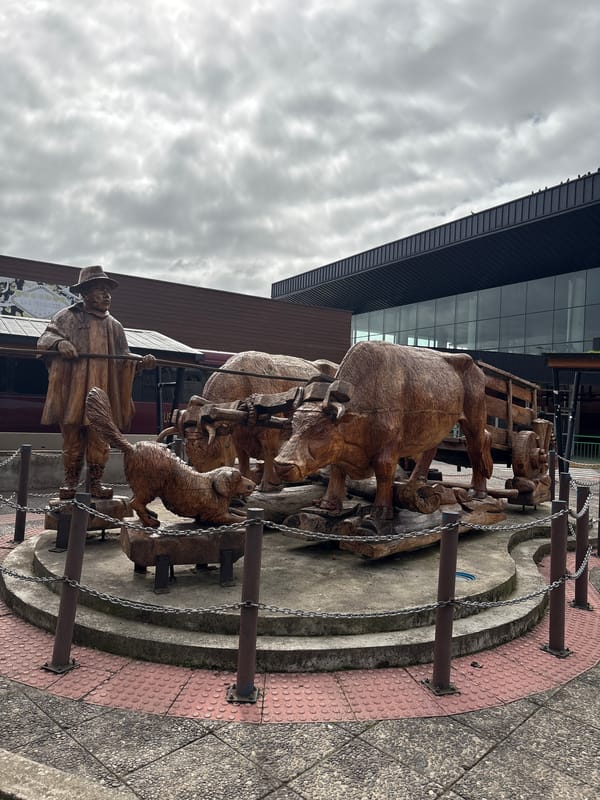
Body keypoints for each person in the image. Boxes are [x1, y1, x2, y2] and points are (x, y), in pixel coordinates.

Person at [37, 265, 156, 500]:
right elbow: (45, 338)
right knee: (71, 439)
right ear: (86, 293)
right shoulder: (66, 317)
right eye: (100, 290)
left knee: (100, 439)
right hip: (73, 392)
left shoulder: (115, 326)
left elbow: (124, 358)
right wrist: (59, 344)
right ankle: (70, 482)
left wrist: (141, 362)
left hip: (103, 395)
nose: (106, 295)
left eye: (108, 291)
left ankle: (95, 483)